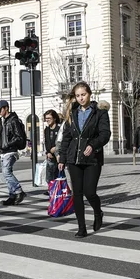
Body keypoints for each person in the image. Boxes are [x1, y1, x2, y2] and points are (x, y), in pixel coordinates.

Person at [57, 82, 111, 238]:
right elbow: (66, 137)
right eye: (78, 95)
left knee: (90, 192)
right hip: (74, 158)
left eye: (83, 94)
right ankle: (81, 227)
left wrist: (93, 145)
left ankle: (98, 212)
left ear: (89, 94)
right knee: (77, 194)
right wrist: (62, 157)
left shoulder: (99, 112)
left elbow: (105, 134)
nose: (81, 98)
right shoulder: (72, 113)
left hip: (92, 158)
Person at [0, 100, 27, 205]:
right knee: (6, 173)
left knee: (6, 172)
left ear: (6, 108)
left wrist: (7, 144)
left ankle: (18, 191)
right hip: (4, 151)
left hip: (11, 150)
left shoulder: (13, 120)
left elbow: (19, 137)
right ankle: (12, 195)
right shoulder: (4, 121)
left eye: (0, 109)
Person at [42, 110, 61, 195]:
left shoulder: (60, 128)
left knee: (59, 174)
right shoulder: (46, 130)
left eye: (49, 118)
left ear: (54, 118)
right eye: (46, 118)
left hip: (59, 155)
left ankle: (59, 189)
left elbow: (63, 141)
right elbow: (46, 142)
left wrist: (56, 148)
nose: (47, 120)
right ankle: (51, 189)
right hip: (50, 155)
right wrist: (47, 152)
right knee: (49, 175)